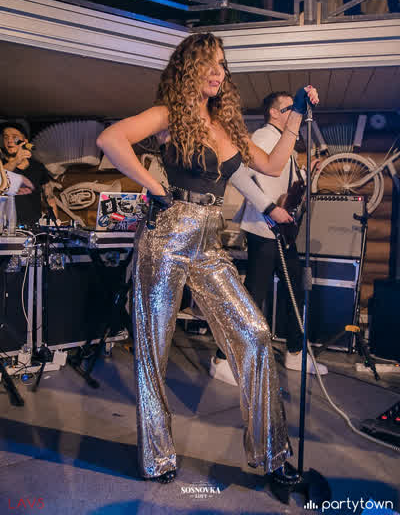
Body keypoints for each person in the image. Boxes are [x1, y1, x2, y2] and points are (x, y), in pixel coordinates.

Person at [96, 33, 319, 488]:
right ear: (189, 69)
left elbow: (273, 166)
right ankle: (157, 457)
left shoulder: (224, 126)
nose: (218, 72)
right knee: (153, 352)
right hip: (166, 237)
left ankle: (273, 457)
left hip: (208, 243)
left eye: (221, 65)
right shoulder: (169, 115)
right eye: (208, 64)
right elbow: (110, 138)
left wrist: (295, 113)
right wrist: (153, 187)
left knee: (255, 334)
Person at [233, 91, 327, 376]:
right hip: (265, 228)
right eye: (288, 109)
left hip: (281, 231)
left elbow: (286, 183)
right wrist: (270, 208)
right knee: (255, 294)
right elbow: (247, 177)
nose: (294, 113)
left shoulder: (284, 142)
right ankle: (228, 358)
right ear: (273, 113)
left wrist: (307, 173)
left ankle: (295, 352)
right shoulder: (264, 136)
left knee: (294, 289)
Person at [0, 122, 55, 226]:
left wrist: (53, 223)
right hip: (5, 228)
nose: (9, 140)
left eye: (14, 137)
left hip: (33, 228)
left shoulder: (38, 167)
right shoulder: (1, 164)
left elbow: (50, 198)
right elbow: (1, 177)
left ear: (25, 141)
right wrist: (16, 161)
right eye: (6, 137)